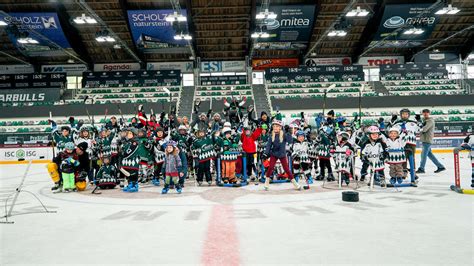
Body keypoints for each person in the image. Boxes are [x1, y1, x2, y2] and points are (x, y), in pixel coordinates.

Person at [262, 120, 301, 191]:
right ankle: (266, 182)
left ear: (280, 127)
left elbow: (290, 141)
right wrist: (265, 153)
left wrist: (288, 132)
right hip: (274, 154)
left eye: (277, 126)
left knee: (286, 169)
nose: (275, 128)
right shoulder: (272, 136)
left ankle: (295, 183)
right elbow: (268, 146)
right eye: (274, 126)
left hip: (282, 154)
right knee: (270, 167)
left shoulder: (284, 135)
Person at [416, 109, 445, 174]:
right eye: (424, 112)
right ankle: (440, 167)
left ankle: (421, 168)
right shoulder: (425, 120)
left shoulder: (430, 121)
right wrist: (419, 121)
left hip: (427, 140)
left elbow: (424, 129)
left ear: (429, 113)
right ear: (422, 113)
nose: (425, 114)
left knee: (423, 155)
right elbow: (420, 126)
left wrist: (419, 123)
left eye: (427, 112)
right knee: (430, 155)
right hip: (425, 139)